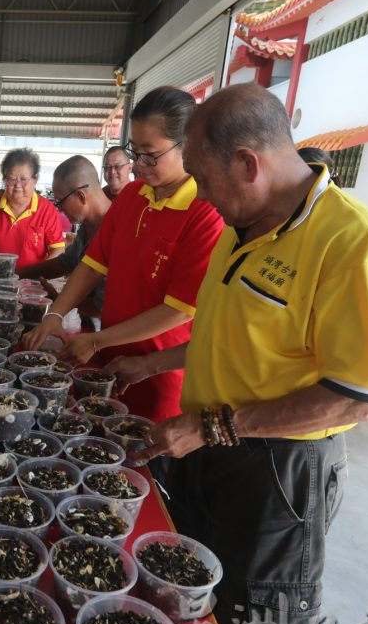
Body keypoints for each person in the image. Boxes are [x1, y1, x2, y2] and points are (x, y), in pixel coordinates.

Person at [103, 83, 368, 624]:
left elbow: (356, 397)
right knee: (192, 599)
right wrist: (153, 364)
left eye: (204, 178)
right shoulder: (241, 223)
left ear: (247, 164)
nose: (201, 196)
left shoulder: (350, 240)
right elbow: (224, 335)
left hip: (279, 473)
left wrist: (214, 425)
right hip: (207, 445)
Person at [23, 87, 223, 424]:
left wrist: (97, 340)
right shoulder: (132, 197)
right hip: (108, 362)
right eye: (135, 151)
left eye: (151, 154)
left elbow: (178, 311)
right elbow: (92, 265)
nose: (138, 164)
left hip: (157, 377)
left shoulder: (206, 213)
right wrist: (54, 315)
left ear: (188, 145)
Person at [0, 148, 66, 270]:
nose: (18, 186)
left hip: (31, 283)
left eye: (24, 180)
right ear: (4, 179)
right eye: (11, 179)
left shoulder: (47, 210)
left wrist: (38, 273)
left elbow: (58, 249)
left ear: (35, 179)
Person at [18, 156, 112, 284]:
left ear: (81, 196)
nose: (60, 209)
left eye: (60, 202)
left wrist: (60, 300)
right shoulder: (86, 225)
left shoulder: (117, 230)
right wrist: (16, 274)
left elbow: (104, 299)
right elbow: (65, 263)